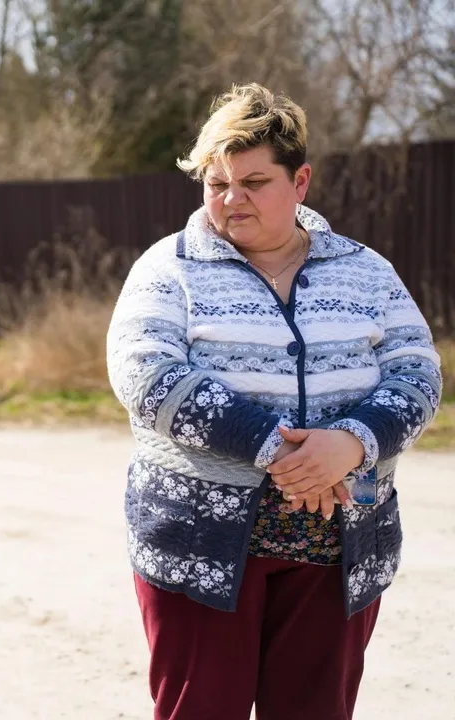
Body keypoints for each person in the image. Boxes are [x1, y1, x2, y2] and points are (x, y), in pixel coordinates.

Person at [106, 83, 442, 720]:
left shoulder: (366, 270)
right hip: (199, 546)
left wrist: (350, 443)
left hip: (339, 543)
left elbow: (418, 373)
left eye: (253, 181)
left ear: (301, 182)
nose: (231, 200)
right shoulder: (168, 268)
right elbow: (147, 377)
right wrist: (283, 453)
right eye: (216, 183)